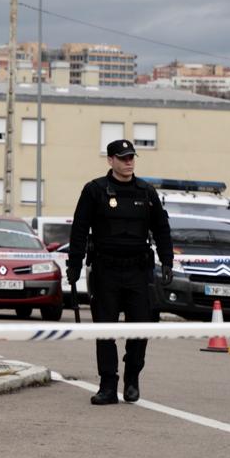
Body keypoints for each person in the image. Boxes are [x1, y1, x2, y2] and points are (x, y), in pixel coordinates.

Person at [66, 139, 172, 406]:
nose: (129, 162)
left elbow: (161, 229)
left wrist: (168, 261)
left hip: (138, 271)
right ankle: (108, 385)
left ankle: (132, 377)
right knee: (104, 330)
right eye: (123, 158)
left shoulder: (146, 192)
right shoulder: (95, 190)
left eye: (131, 157)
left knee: (140, 329)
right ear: (110, 160)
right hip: (106, 270)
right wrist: (74, 265)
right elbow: (79, 230)